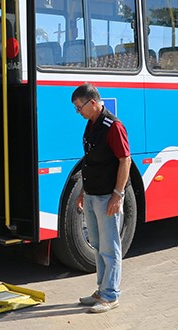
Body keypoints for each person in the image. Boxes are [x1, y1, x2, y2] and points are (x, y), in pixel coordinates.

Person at [72, 83, 131, 313]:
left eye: (80, 107)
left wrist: (118, 195)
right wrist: (83, 192)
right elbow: (91, 161)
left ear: (93, 103)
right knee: (97, 245)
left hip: (108, 197)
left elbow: (125, 160)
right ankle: (101, 289)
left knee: (110, 247)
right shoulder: (91, 124)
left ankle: (110, 295)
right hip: (92, 194)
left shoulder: (113, 126)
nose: (79, 112)